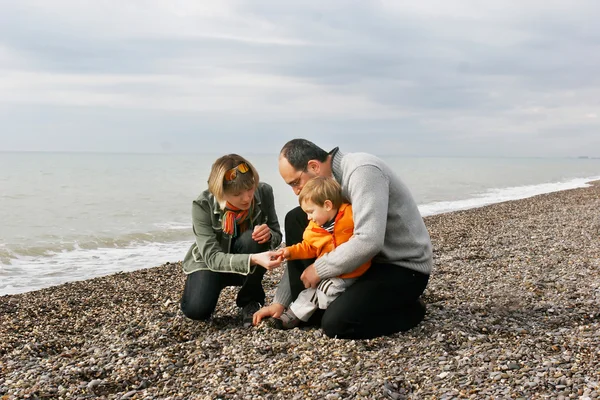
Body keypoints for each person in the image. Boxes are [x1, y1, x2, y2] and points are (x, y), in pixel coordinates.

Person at [253, 139, 433, 339]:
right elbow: (308, 245)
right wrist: (280, 301)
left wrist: (319, 269)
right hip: (363, 263)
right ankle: (303, 305)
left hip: (401, 266)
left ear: (314, 166)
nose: (296, 191)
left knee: (337, 324)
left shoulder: (362, 171)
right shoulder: (327, 194)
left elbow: (369, 241)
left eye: (296, 182)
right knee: (296, 217)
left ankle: (410, 309)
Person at [180, 154, 283, 327]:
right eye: (237, 194)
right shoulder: (202, 205)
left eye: (250, 188)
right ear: (220, 192)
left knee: (253, 239)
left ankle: (250, 301)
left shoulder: (264, 192)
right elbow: (211, 257)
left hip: (246, 262)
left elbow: (277, 234)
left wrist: (270, 235)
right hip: (209, 264)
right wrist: (254, 259)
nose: (247, 198)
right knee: (196, 311)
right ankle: (206, 288)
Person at [264, 176, 371, 330]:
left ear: (327, 205)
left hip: (355, 271)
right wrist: (289, 252)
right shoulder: (313, 229)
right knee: (310, 292)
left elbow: (364, 237)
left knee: (326, 289)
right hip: (331, 273)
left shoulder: (351, 215)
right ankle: (292, 316)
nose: (308, 217)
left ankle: (337, 309)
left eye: (311, 212)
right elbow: (307, 247)